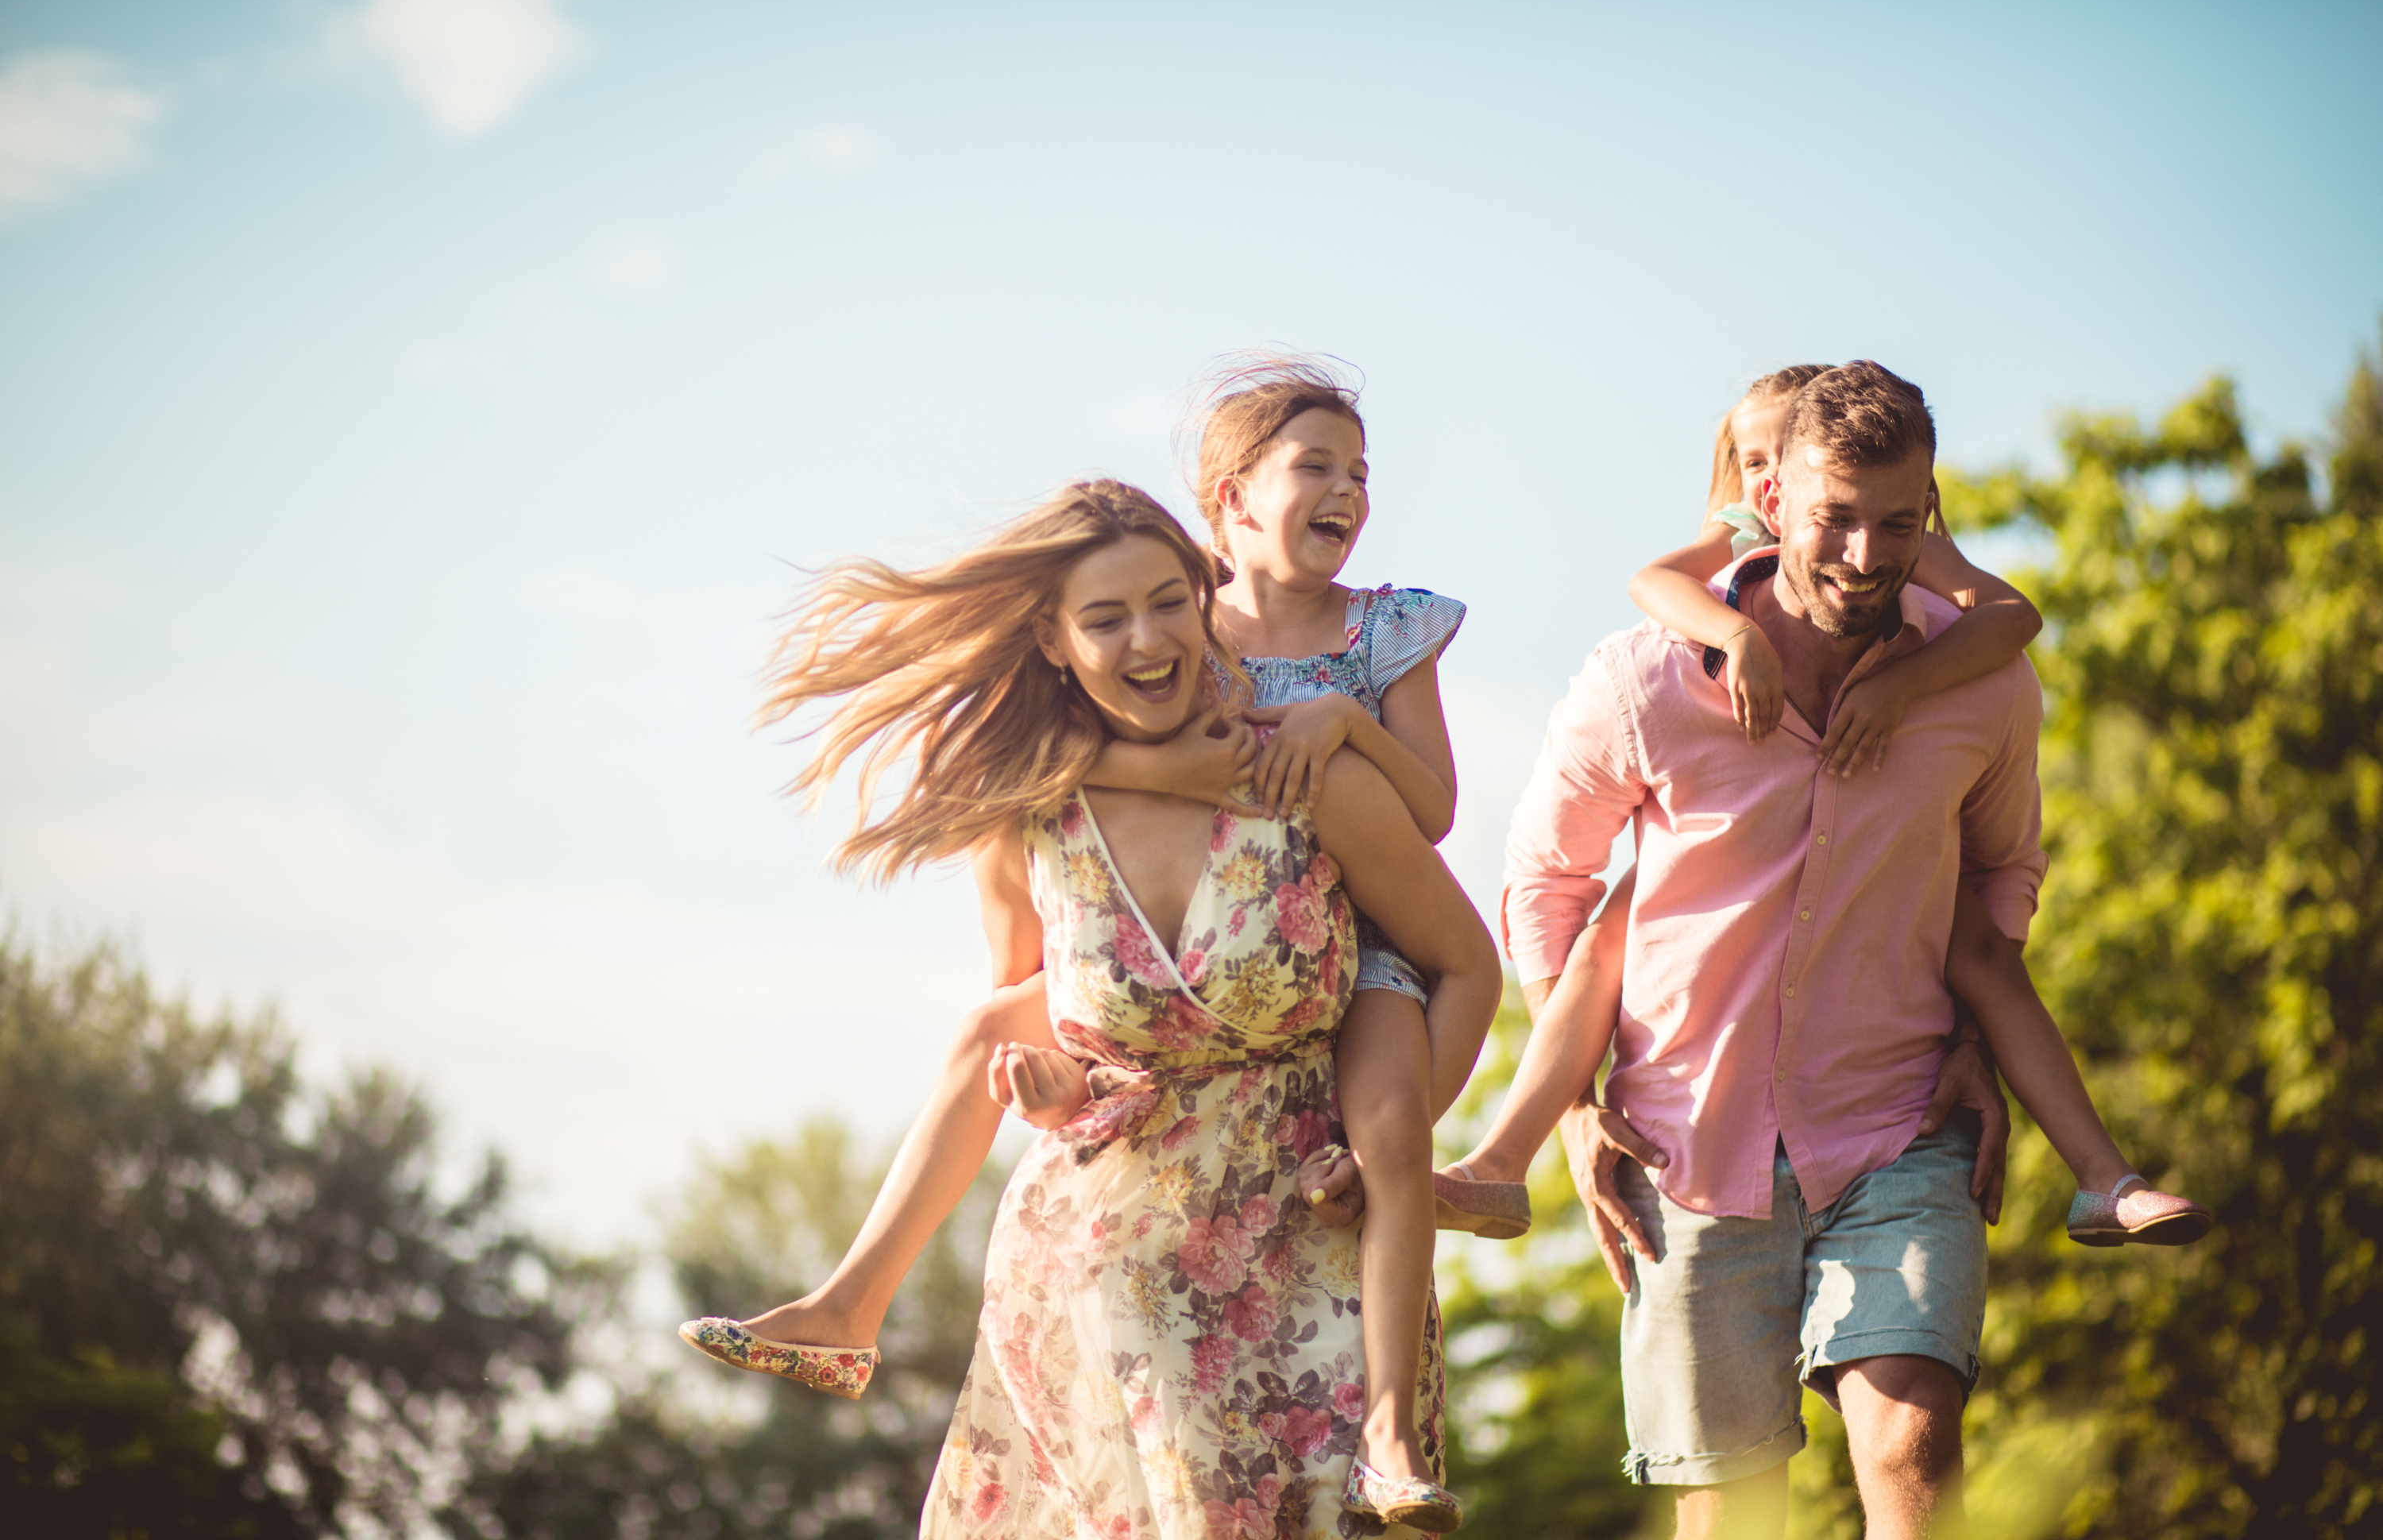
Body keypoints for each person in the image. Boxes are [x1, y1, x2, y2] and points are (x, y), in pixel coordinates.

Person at [685, 357, 1508, 1510]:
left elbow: (1448, 880)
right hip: (1104, 1272)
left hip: (1306, 1198)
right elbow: (1050, 1018)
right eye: (1106, 619)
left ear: (1201, 600)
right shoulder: (1031, 805)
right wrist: (1050, 1083)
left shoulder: (1301, 755)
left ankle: (1399, 1391)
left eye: (1167, 604)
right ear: (1056, 639)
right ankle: (850, 1302)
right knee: (984, 1026)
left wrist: (1416, 1131)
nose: (1148, 637)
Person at [1491, 362, 2061, 1536]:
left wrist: (1972, 1039)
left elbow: (2006, 868)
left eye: (1895, 525)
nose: (1863, 555)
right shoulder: (1643, 679)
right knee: (1732, 1513)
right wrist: (1567, 1105)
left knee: (1911, 1443)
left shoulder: (1983, 685)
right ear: (1773, 496)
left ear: (1928, 510)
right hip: (1687, 1142)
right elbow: (1546, 879)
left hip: (1897, 1125)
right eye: (1834, 522)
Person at [1454, 364, 2210, 1251]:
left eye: (1787, 447)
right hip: (1697, 1120)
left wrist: (1906, 685)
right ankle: (1502, 1156)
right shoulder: (1701, 602)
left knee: (1985, 955)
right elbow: (1651, 582)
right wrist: (1734, 634)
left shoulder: (1889, 541)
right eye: (1755, 460)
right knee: (1620, 927)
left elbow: (2011, 616)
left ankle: (2103, 1176)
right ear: (1766, 489)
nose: (1859, 546)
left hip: (1895, 940)